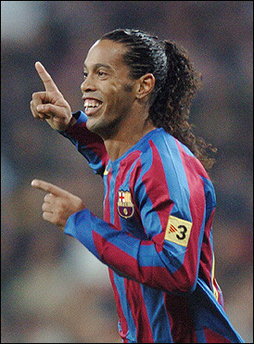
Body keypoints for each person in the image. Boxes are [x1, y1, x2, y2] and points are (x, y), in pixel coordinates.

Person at [30, 29, 244, 343]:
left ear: (143, 86)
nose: (86, 84)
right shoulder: (132, 158)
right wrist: (71, 125)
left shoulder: (167, 169)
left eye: (102, 73)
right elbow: (124, 173)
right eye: (86, 73)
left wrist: (80, 222)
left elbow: (175, 268)